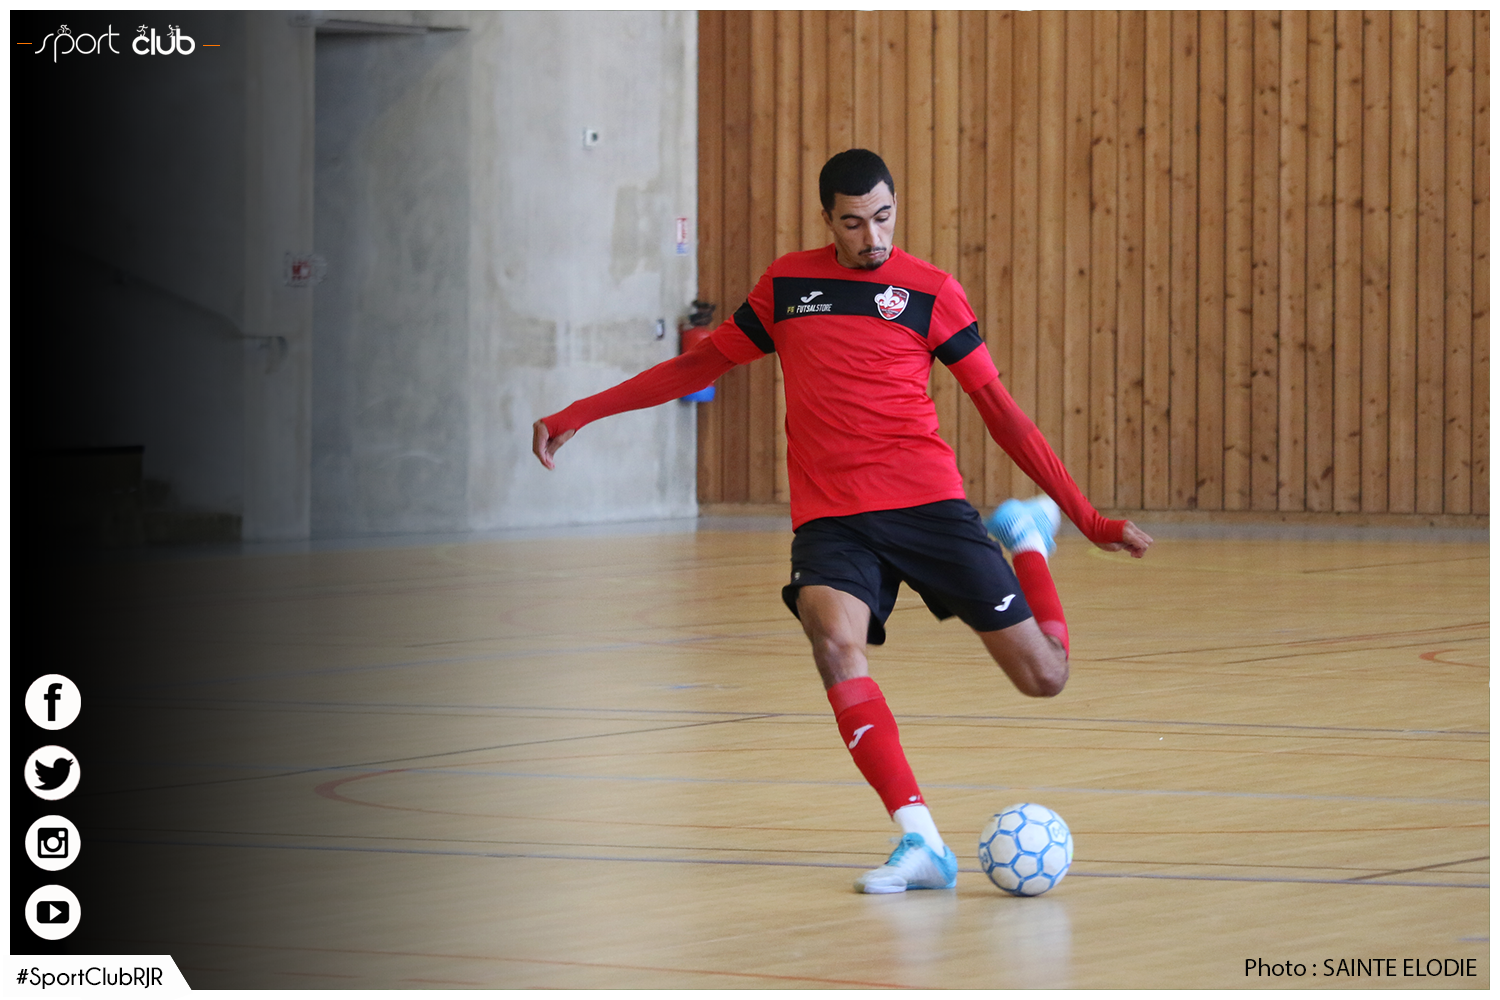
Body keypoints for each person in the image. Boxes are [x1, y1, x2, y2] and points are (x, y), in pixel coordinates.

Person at [533, 149, 1153, 894]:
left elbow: (1002, 413)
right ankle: (922, 841)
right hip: (833, 516)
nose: (872, 237)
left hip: (926, 504)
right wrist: (581, 412)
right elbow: (699, 366)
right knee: (833, 642)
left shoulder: (932, 292)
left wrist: (1087, 518)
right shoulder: (788, 286)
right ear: (827, 218)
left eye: (884, 218)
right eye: (854, 223)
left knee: (1045, 677)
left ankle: (1027, 541)